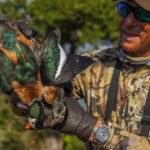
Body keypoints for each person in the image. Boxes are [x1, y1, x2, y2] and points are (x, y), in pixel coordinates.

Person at [5, 0, 150, 149]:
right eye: (125, 10)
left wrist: (88, 127)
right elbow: (35, 104)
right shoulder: (94, 63)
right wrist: (29, 59)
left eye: (142, 14)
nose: (128, 21)